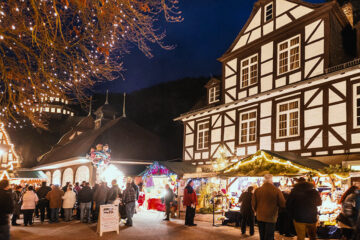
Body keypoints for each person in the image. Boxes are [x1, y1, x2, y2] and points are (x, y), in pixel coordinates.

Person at [252, 174, 286, 240]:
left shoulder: (257, 190)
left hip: (260, 216)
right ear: (271, 180)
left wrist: (256, 211)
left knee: (262, 235)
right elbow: (282, 204)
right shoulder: (276, 190)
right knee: (269, 236)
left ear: (263, 181)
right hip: (271, 217)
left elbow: (253, 204)